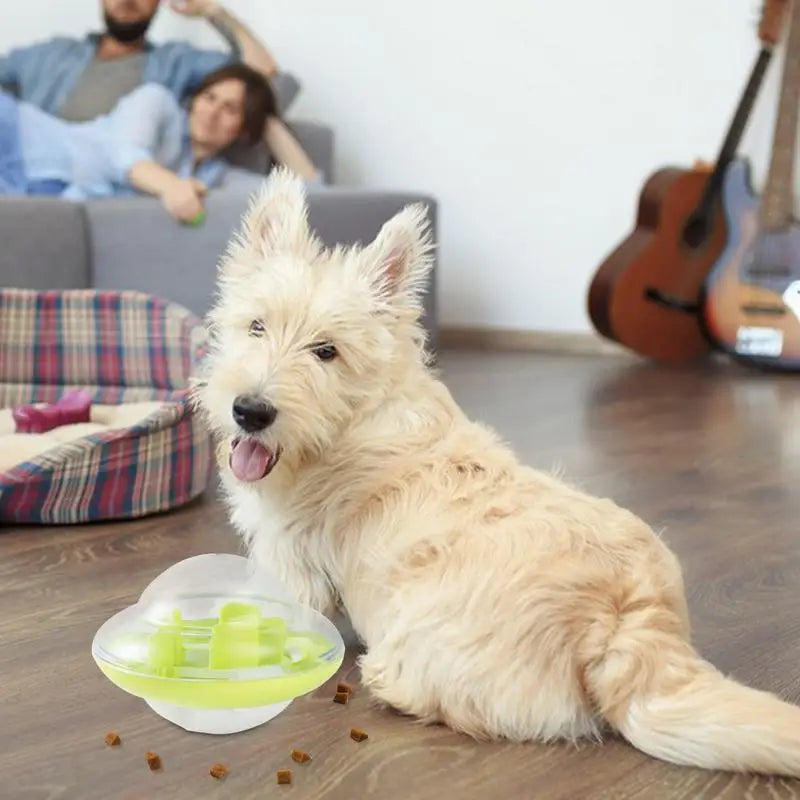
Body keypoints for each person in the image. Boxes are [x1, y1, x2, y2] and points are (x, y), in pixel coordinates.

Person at [0, 0, 317, 180]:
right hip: (22, 153)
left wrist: (212, 11)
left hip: (93, 179)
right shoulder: (49, 54)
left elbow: (260, 78)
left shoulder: (172, 66)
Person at [0, 63, 320, 222]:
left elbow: (313, 194)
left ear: (243, 130)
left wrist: (269, 124)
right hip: (16, 133)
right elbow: (126, 155)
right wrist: (171, 187)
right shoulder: (157, 102)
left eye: (231, 109)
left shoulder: (217, 178)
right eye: (209, 97)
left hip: (25, 193)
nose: (212, 112)